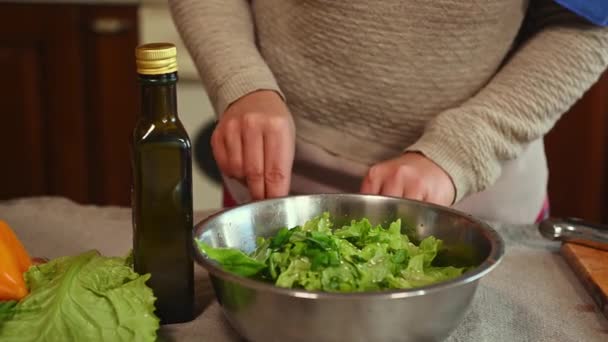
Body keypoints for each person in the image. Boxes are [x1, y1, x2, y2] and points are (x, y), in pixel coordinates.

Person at [169, 0, 608, 224]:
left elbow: (587, 27)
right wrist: (242, 84)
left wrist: (460, 149)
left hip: (474, 199)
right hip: (273, 190)